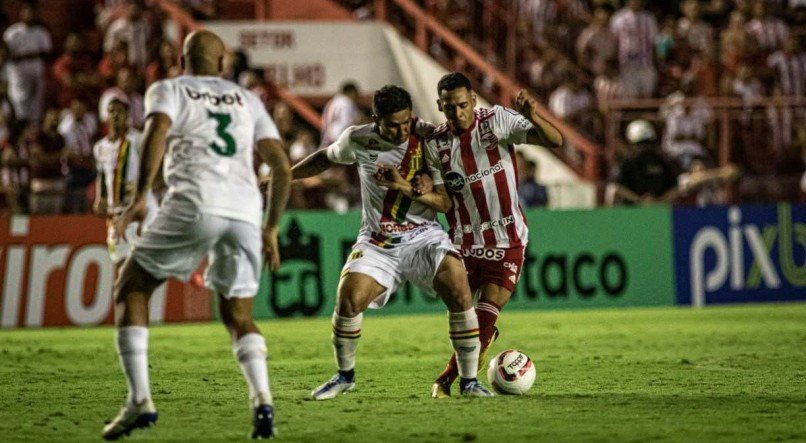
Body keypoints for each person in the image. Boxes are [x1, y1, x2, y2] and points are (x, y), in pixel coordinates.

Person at [101, 30, 291, 440]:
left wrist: (138, 196)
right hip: (244, 212)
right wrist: (271, 227)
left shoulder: (169, 89)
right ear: (224, 63)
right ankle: (262, 399)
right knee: (239, 315)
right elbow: (281, 166)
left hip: (195, 202)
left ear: (182, 61)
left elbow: (156, 133)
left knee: (131, 287)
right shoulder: (249, 99)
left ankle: (139, 400)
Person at [291, 85, 492, 400]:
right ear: (376, 120)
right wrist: (285, 176)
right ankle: (344, 376)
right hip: (377, 240)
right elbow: (324, 158)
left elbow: (443, 203)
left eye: (405, 122)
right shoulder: (359, 139)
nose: (401, 130)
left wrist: (411, 186)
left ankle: (469, 381)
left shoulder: (427, 137)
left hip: (423, 235)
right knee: (348, 297)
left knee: (458, 283)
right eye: (392, 125)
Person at [426, 72, 563, 398]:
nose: (457, 113)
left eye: (462, 105)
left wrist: (532, 117)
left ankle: (448, 381)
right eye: (449, 108)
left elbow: (555, 140)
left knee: (485, 315)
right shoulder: (435, 143)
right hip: (462, 242)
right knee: (461, 319)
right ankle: (477, 350)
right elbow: (444, 199)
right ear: (439, 106)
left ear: (473, 100)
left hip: (507, 239)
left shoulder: (497, 121)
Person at [93, 97, 158, 267]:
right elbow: (102, 175)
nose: (115, 116)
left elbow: (152, 167)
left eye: (120, 112)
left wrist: (143, 191)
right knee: (119, 263)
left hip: (136, 213)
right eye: (112, 112)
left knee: (139, 265)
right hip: (115, 214)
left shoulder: (137, 140)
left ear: (127, 115)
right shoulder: (100, 147)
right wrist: (100, 199)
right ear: (106, 116)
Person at [608, 119, 681, 205]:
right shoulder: (627, 163)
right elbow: (617, 186)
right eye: (641, 144)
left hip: (658, 210)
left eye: (647, 144)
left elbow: (676, 187)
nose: (644, 148)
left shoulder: (664, 161)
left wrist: (658, 201)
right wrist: (640, 201)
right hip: (633, 210)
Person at [2, 0, 51, 124]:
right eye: (27, 11)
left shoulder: (42, 32)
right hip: (18, 74)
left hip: (36, 73)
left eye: (32, 11)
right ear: (21, 12)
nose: (29, 14)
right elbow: (5, 54)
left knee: (35, 109)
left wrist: (24, 55)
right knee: (19, 106)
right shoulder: (12, 32)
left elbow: (47, 53)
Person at [320, 81, 360, 148]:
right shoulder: (347, 102)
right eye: (356, 94)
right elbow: (347, 123)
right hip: (339, 139)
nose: (357, 97)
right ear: (351, 92)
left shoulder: (332, 101)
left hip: (327, 138)